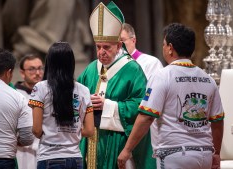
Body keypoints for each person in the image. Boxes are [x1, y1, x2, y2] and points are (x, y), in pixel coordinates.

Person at [117, 23, 224, 169]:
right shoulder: (208, 79)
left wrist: (127, 149)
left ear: (170, 48)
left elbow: (147, 117)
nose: (163, 47)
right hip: (204, 154)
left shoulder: (162, 76)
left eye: (164, 44)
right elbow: (217, 121)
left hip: (175, 154)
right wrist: (216, 153)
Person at [78, 2, 156, 169]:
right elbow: (76, 95)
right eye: (98, 47)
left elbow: (141, 106)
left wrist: (108, 106)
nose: (101, 52)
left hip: (117, 140)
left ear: (119, 46)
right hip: (90, 140)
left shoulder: (132, 70)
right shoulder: (91, 69)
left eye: (106, 47)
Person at [28, 42, 94, 169]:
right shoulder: (84, 90)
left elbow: (36, 130)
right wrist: (73, 132)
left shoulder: (40, 88)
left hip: (49, 156)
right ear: (72, 63)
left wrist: (51, 133)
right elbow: (90, 130)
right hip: (75, 158)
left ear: (49, 62)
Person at [15, 54, 44, 169]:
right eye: (32, 69)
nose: (37, 73)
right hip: (21, 151)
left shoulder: (49, 91)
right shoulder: (15, 94)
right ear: (22, 73)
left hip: (45, 150)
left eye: (40, 68)